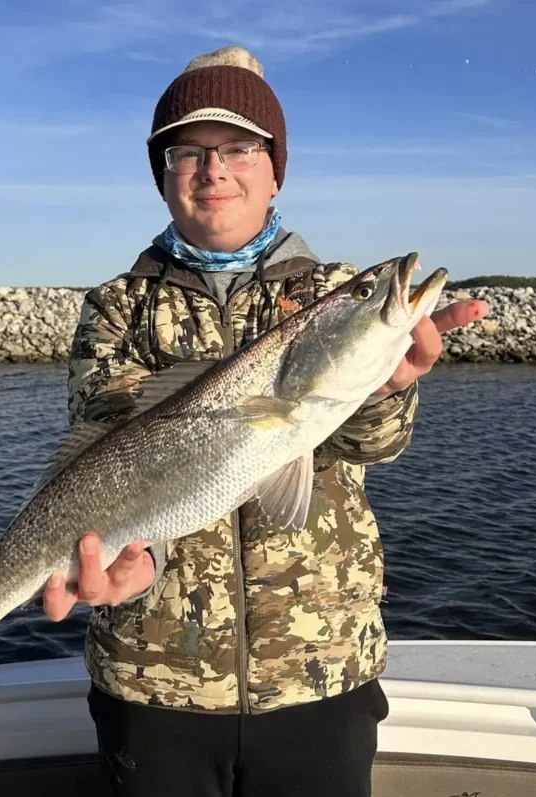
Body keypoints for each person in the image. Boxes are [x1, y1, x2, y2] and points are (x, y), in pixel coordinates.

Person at [44, 45, 489, 797]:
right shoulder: (117, 306)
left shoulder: (335, 291)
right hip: (155, 674)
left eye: (241, 148)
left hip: (318, 667)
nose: (214, 169)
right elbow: (114, 458)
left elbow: (376, 442)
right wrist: (138, 558)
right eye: (188, 151)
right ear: (164, 176)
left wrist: (387, 388)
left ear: (275, 168)